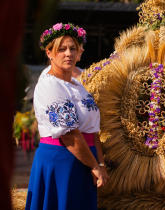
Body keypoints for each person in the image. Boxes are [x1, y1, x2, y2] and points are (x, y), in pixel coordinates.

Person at [26, 23, 109, 210]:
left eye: (73, 48)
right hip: (61, 161)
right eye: (61, 49)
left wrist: (100, 164)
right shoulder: (49, 84)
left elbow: (93, 131)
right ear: (49, 53)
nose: (68, 53)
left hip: (84, 160)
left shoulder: (78, 85)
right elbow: (69, 134)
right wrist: (95, 166)